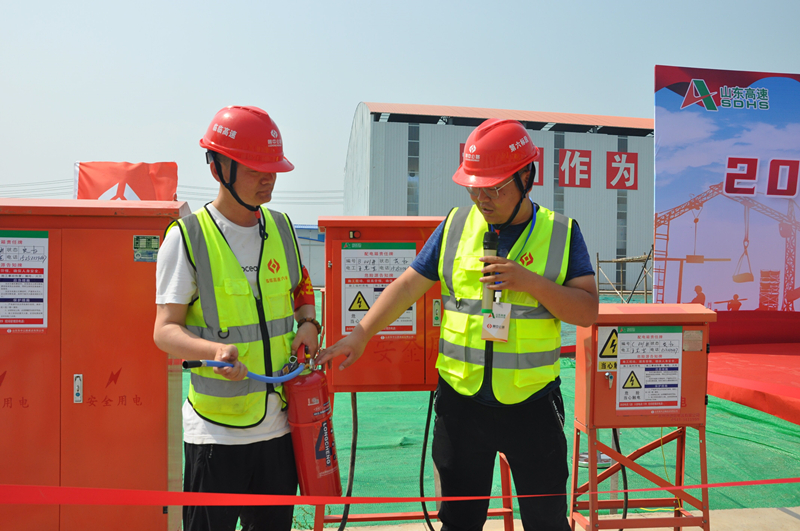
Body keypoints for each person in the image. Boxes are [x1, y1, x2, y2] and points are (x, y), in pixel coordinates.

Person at [316, 119, 598, 531]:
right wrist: (361, 334)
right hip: (462, 405)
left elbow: (587, 311)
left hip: (532, 404)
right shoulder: (455, 226)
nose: (482, 198)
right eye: (473, 188)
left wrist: (530, 282)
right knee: (459, 522)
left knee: (546, 522)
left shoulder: (561, 233)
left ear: (527, 177)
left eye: (493, 188)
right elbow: (408, 285)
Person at [153, 105, 320, 531]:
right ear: (218, 168)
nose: (269, 179)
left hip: (279, 429)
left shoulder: (283, 228)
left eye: (273, 169)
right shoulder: (188, 237)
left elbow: (301, 289)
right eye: (255, 168)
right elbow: (165, 331)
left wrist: (309, 324)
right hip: (216, 434)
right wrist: (214, 351)